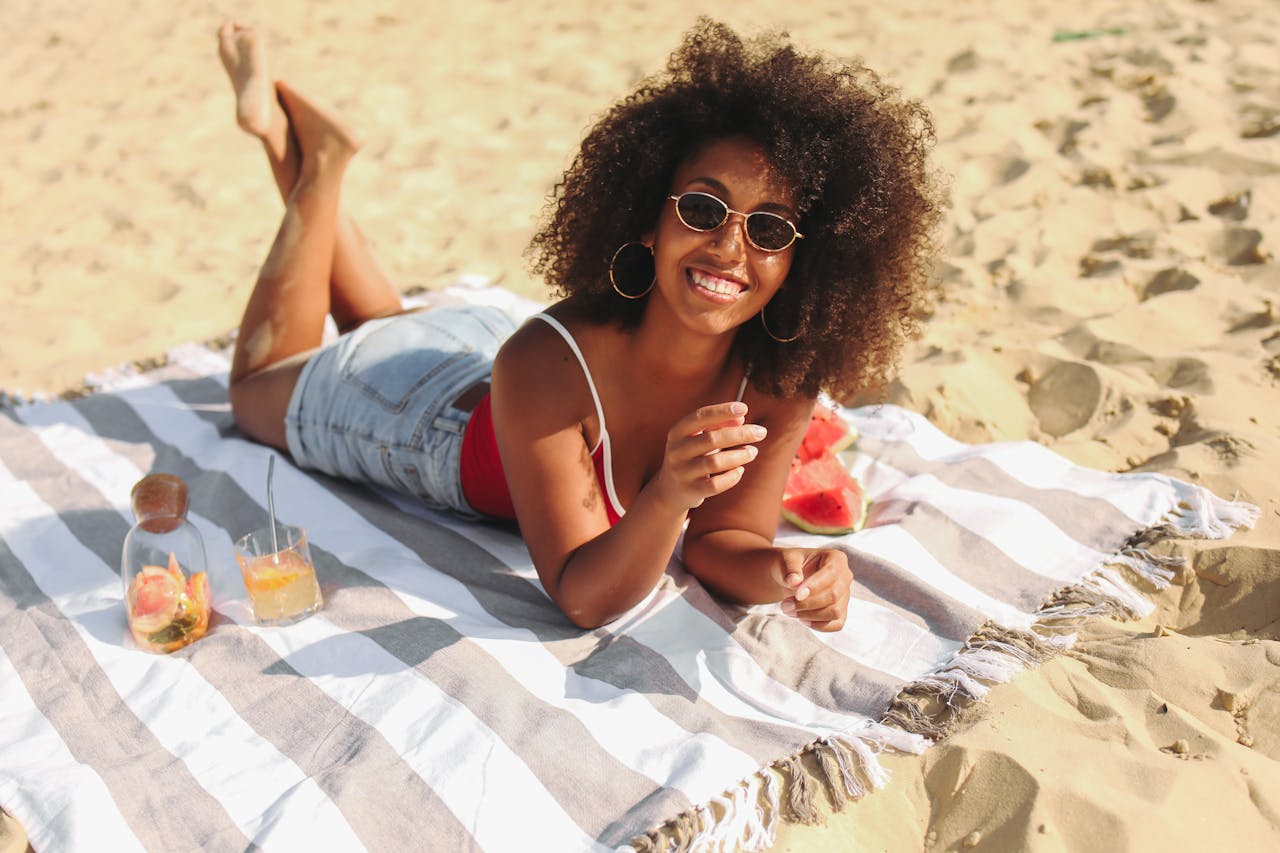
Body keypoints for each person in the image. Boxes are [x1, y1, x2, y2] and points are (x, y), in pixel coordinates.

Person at [217, 19, 942, 631]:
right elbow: (582, 594)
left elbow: (726, 538)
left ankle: (312, 154)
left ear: (802, 262)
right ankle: (316, 170)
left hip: (474, 351)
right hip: (425, 418)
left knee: (380, 321)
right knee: (252, 390)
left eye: (772, 229)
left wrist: (787, 569)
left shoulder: (780, 375)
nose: (729, 247)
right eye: (702, 209)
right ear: (650, 218)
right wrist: (668, 495)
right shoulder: (548, 359)